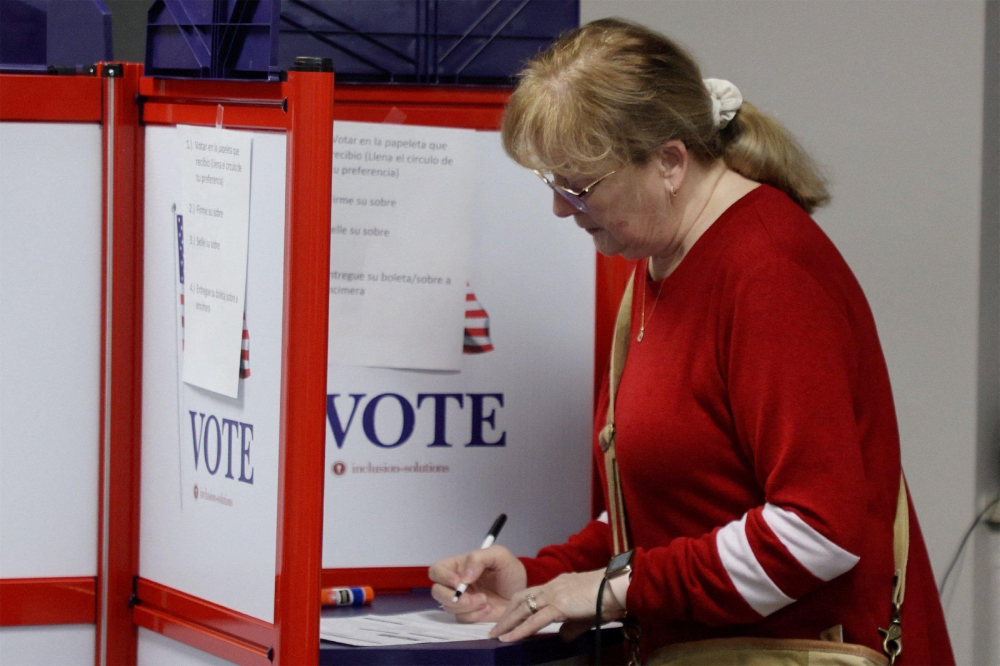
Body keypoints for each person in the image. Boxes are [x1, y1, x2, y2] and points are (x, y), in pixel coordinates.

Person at [428, 18, 954, 665]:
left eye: (580, 186)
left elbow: (815, 532)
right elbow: (680, 503)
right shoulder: (658, 262)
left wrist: (612, 592)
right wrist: (544, 578)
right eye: (553, 184)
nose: (563, 210)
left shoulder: (768, 272)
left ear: (670, 162)